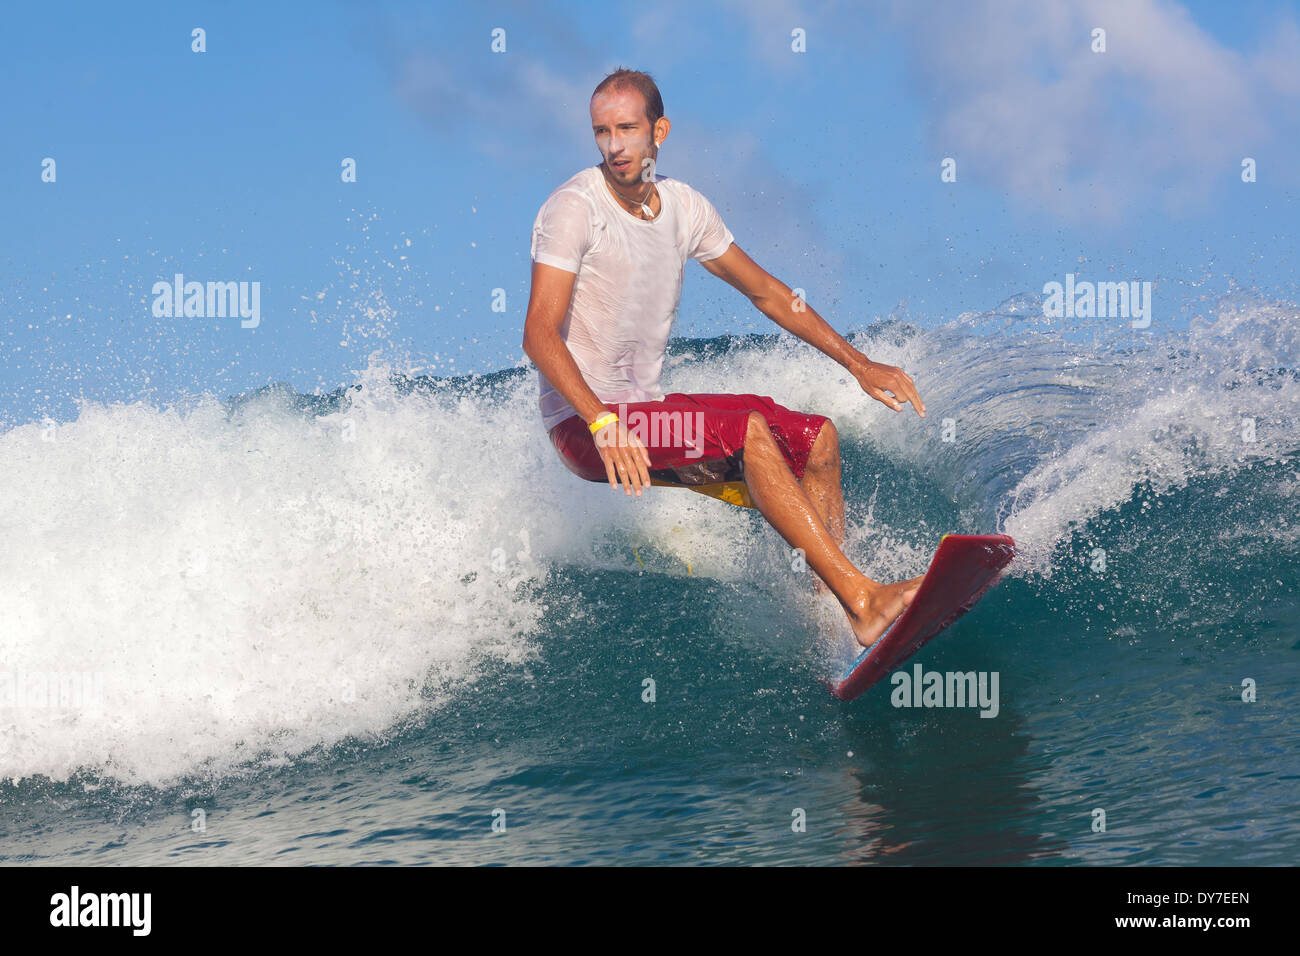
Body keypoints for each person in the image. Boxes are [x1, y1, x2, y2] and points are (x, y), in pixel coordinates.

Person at [522, 68, 927, 647]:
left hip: (644, 409)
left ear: (659, 131)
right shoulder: (573, 209)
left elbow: (768, 293)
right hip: (586, 423)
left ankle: (832, 618)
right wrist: (602, 420)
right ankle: (863, 598)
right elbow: (538, 335)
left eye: (627, 129)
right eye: (602, 132)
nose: (614, 146)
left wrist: (859, 364)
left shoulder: (684, 208)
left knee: (817, 439)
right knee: (749, 435)